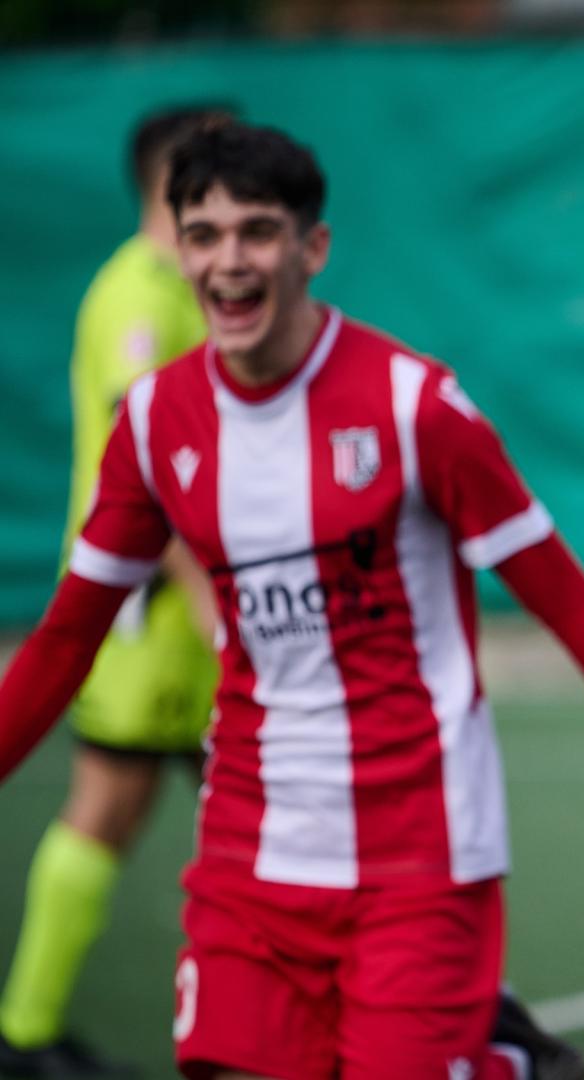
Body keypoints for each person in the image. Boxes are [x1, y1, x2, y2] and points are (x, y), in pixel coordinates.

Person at [0, 121, 584, 1080]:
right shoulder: (152, 422)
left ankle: (503, 1062)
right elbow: (62, 641)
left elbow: (576, 613)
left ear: (313, 248)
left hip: (418, 853)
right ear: (175, 249)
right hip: (251, 848)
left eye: (257, 232)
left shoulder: (412, 405)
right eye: (204, 235)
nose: (229, 261)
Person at [0, 105, 229, 1080]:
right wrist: (221, 609)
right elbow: (156, 472)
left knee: (240, 812)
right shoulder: (133, 295)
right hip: (152, 616)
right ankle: (24, 1032)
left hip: (188, 610)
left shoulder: (191, 283)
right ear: (171, 178)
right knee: (108, 804)